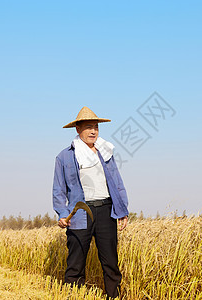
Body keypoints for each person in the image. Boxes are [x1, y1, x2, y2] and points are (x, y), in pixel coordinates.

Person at [52, 106, 129, 299]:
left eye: (95, 126)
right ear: (78, 129)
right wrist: (62, 214)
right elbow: (59, 189)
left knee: (110, 262)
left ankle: (113, 296)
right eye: (88, 127)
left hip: (106, 210)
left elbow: (117, 182)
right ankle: (74, 296)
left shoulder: (106, 152)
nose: (93, 131)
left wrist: (122, 211)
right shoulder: (65, 157)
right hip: (79, 213)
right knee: (76, 263)